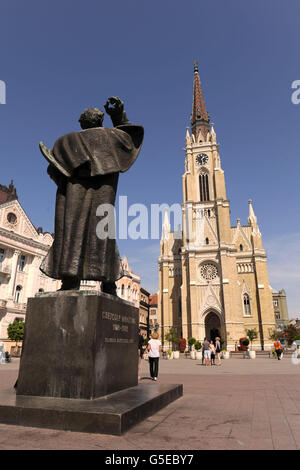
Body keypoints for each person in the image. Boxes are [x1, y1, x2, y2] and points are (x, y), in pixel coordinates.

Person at [39, 97, 144, 293]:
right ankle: (109, 283)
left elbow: (54, 170)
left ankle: (70, 280)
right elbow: (131, 139)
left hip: (73, 194)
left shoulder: (65, 141)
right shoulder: (112, 137)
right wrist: (118, 115)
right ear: (100, 120)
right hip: (104, 193)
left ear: (81, 122)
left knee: (72, 232)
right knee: (102, 233)